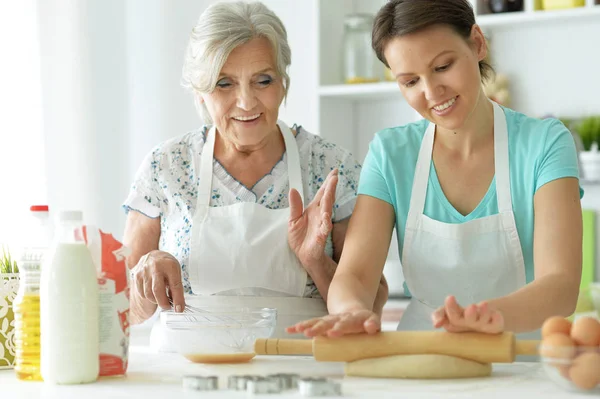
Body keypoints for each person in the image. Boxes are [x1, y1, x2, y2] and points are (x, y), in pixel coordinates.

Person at [288, 0, 583, 342]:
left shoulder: (544, 143)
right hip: (422, 360)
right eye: (410, 81)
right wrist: (351, 310)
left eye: (442, 66)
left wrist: (486, 317)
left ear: (477, 43)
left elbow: (561, 286)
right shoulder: (390, 154)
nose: (431, 92)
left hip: (521, 362)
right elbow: (355, 275)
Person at [121, 1, 388, 350]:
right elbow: (126, 311)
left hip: (300, 365)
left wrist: (315, 260)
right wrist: (149, 270)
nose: (246, 102)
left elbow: (373, 304)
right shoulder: (165, 166)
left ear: (283, 83)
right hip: (184, 371)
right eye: (224, 84)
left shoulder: (330, 167)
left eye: (263, 80)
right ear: (201, 92)